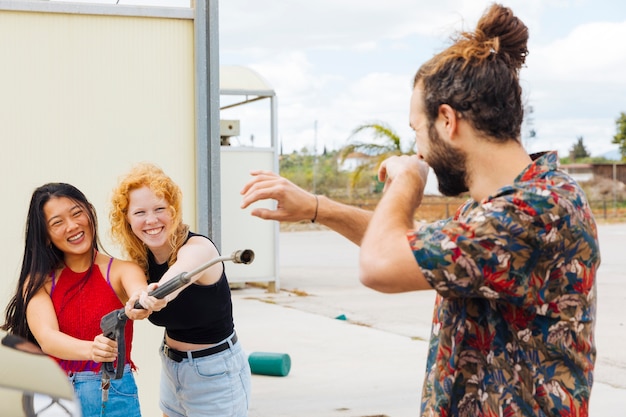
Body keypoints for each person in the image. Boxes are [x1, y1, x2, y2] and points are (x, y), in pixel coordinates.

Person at [241, 4, 600, 417]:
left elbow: (380, 264)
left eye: (417, 130)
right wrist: (318, 208)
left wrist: (408, 178)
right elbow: (413, 244)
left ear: (447, 121)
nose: (418, 149)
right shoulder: (503, 207)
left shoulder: (538, 210)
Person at [2, 182, 164, 417]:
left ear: (89, 212)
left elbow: (139, 294)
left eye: (77, 213)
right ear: (46, 235)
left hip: (114, 392)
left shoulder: (122, 270)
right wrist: (91, 349)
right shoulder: (38, 282)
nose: (72, 226)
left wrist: (142, 302)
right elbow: (47, 338)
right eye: (57, 222)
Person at [109, 162, 251, 417]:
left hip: (216, 372)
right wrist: (137, 299)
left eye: (160, 209)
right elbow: (134, 288)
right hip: (172, 366)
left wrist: (156, 294)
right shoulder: (141, 261)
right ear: (127, 220)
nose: (151, 220)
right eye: (140, 212)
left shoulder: (199, 249)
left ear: (173, 212)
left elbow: (179, 277)